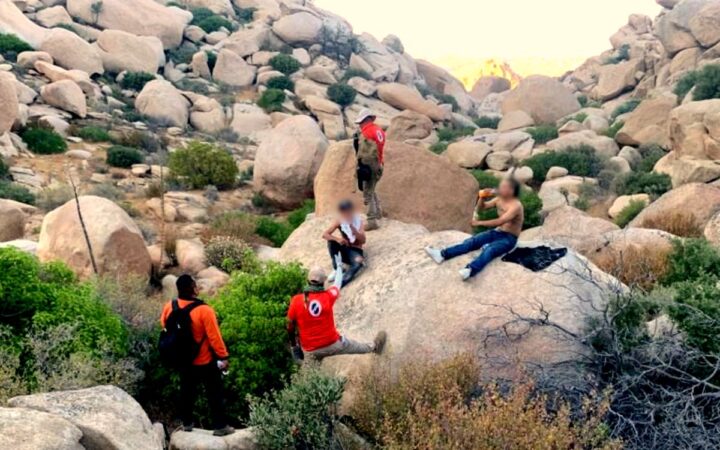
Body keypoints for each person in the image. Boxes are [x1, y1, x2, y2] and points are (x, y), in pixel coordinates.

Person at [160, 275, 235, 436]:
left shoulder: (170, 306)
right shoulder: (204, 310)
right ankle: (220, 426)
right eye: (195, 285)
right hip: (204, 360)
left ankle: (186, 424)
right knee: (214, 393)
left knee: (187, 392)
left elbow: (165, 326)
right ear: (193, 289)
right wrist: (223, 357)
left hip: (183, 360)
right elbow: (214, 337)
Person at [424, 178, 524, 281]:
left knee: (490, 249)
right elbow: (482, 207)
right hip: (497, 232)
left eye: (504, 187)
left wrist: (478, 223)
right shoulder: (499, 199)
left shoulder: (516, 206)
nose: (500, 188)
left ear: (512, 190)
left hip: (509, 238)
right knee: (472, 241)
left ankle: (470, 270)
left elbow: (500, 221)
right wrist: (482, 197)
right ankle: (442, 254)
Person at [287, 262, 387, 362]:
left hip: (310, 350)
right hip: (332, 344)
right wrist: (339, 267)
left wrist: (294, 346)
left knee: (311, 367)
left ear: (307, 280)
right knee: (352, 345)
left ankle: (313, 372)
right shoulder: (328, 296)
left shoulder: (296, 300)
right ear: (324, 281)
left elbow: (290, 326)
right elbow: (337, 283)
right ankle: (374, 347)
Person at [353, 108, 386, 230]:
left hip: (370, 165)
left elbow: (363, 154)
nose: (360, 125)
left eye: (361, 122)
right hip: (379, 163)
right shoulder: (379, 130)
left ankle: (372, 220)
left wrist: (360, 167)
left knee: (367, 192)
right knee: (371, 188)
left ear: (366, 120)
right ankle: (378, 212)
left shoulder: (366, 133)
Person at [322, 199, 367, 287]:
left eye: (348, 211)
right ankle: (337, 268)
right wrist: (337, 239)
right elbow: (325, 234)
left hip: (355, 251)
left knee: (358, 262)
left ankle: (340, 283)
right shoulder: (340, 221)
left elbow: (363, 240)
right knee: (331, 241)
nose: (347, 214)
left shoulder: (358, 221)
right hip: (345, 248)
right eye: (344, 212)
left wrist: (352, 228)